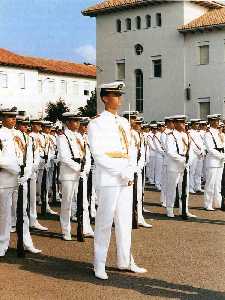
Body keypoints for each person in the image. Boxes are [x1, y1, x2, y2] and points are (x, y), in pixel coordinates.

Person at [88, 81, 147, 280]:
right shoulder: (96, 123)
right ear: (105, 98)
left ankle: (125, 260)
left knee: (124, 221)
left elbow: (130, 149)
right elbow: (98, 154)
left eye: (120, 95)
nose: (119, 99)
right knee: (104, 222)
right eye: (115, 95)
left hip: (125, 176)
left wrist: (129, 169)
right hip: (108, 178)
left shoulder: (123, 122)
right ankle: (99, 263)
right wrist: (120, 171)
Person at [57, 112, 83, 241]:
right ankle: (65, 230)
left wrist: (84, 168)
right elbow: (64, 157)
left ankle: (81, 227)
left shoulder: (79, 136)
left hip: (80, 172)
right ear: (67, 122)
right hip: (68, 173)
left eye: (78, 121)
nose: (77, 124)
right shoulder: (62, 137)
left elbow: (85, 153)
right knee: (66, 202)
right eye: (74, 121)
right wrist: (79, 168)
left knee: (79, 201)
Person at [165, 115, 196, 218]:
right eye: (181, 122)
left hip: (184, 165)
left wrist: (188, 161)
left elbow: (190, 150)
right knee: (172, 188)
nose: (184, 124)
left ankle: (184, 210)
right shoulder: (171, 136)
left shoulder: (186, 135)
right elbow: (170, 152)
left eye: (184, 122)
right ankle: (169, 209)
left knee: (184, 189)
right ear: (175, 124)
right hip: (174, 165)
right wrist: (183, 160)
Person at [204, 114, 225, 210]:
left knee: (218, 184)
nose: (217, 122)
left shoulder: (219, 133)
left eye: (218, 120)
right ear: (211, 122)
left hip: (220, 161)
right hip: (212, 161)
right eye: (215, 121)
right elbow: (210, 149)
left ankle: (218, 203)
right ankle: (208, 204)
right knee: (210, 183)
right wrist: (221, 156)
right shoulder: (208, 134)